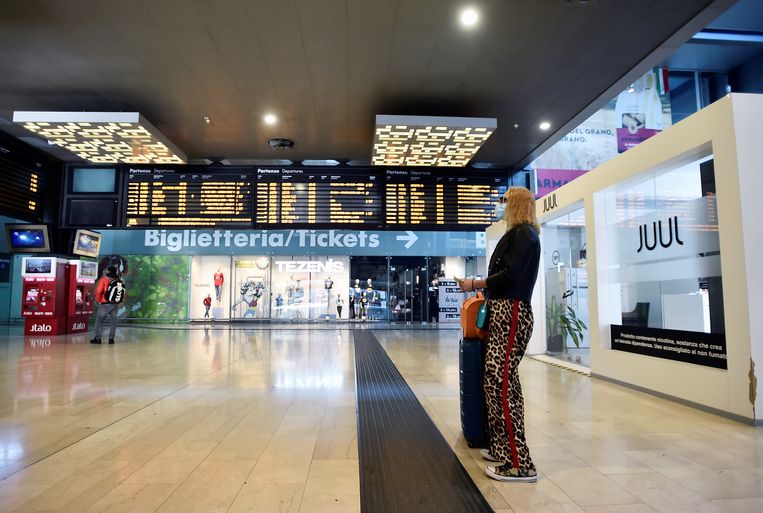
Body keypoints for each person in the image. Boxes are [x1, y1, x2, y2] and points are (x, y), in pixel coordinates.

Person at [458, 186, 541, 483]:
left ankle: (518, 463)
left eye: (504, 201)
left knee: (501, 382)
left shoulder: (523, 235)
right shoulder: (520, 234)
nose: (499, 206)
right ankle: (502, 447)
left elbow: (510, 276)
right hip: (505, 311)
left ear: (516, 203)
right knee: (498, 380)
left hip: (511, 312)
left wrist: (475, 283)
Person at [91, 265, 123, 345]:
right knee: (113, 322)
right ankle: (111, 339)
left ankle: (97, 338)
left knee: (99, 321)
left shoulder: (104, 279)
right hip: (114, 304)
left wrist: (99, 300)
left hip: (105, 303)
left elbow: (99, 291)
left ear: (108, 271)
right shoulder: (119, 280)